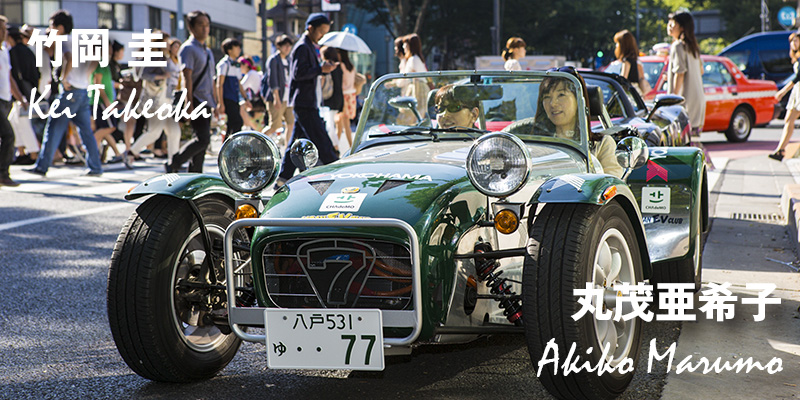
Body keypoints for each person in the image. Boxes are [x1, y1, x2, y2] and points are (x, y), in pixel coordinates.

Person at [26, 9, 103, 177]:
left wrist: (63, 78)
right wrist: (85, 76)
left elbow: (70, 58)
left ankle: (42, 166)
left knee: (53, 128)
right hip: (82, 91)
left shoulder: (63, 40)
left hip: (69, 93)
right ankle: (96, 167)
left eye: (51, 26)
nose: (49, 29)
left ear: (60, 27)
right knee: (86, 132)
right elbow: (95, 59)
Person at [275, 13, 339, 187]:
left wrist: (322, 69)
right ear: (310, 28)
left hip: (306, 101)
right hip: (304, 101)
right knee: (321, 138)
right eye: (320, 31)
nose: (321, 35)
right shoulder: (303, 47)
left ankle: (283, 178)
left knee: (296, 142)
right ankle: (336, 171)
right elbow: (298, 73)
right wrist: (321, 69)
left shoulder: (309, 46)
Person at [535, 70, 623, 178]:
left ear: (579, 100)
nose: (553, 103)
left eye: (561, 95)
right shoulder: (535, 141)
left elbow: (612, 186)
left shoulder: (602, 145)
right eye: (547, 97)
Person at [168, 10, 219, 173]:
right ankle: (175, 162)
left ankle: (195, 174)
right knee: (203, 140)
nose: (205, 29)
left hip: (207, 100)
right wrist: (188, 104)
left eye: (207, 25)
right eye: (201, 25)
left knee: (202, 144)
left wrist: (215, 102)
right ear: (191, 27)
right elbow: (186, 78)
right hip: (195, 99)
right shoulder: (188, 49)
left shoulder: (208, 50)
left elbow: (211, 79)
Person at [125, 30, 181, 169]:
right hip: (156, 101)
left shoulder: (163, 56)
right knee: (154, 132)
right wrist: (163, 76)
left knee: (174, 132)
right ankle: (131, 152)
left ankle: (173, 163)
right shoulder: (153, 56)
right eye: (166, 42)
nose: (168, 45)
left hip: (165, 99)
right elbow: (144, 75)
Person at [667, 11, 705, 137]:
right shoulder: (693, 46)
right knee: (694, 142)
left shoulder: (678, 46)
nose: (669, 26)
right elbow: (701, 71)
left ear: (682, 27)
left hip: (685, 103)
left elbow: (680, 73)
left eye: (673, 24)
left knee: (683, 145)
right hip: (698, 101)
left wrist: (671, 99)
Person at [1, 16, 28, 186]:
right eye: (1, 29)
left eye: (5, 29)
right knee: (9, 135)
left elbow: (10, 79)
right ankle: (3, 174)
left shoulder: (4, 51)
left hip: (5, 100)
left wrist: (20, 98)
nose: (4, 33)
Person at [7, 24, 39, 165]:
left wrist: (19, 95)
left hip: (21, 94)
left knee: (23, 124)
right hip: (29, 91)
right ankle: (22, 153)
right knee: (15, 121)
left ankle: (32, 154)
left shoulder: (13, 52)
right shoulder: (28, 51)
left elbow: (12, 76)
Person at [92, 40, 124, 164]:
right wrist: (107, 102)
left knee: (105, 129)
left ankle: (105, 154)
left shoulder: (105, 63)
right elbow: (97, 84)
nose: (111, 49)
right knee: (109, 127)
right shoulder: (100, 63)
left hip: (104, 101)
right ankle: (91, 149)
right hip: (101, 101)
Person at [770, 32, 800, 161]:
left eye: (797, 41)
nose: (794, 44)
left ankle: (780, 150)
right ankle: (780, 150)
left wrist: (783, 91)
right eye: (792, 41)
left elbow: (798, 77)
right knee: (788, 119)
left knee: (789, 120)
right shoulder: (797, 57)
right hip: (797, 92)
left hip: (798, 90)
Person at [261, 34, 294, 146]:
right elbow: (272, 79)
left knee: (291, 123)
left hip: (288, 98)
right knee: (274, 126)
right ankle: (258, 142)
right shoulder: (273, 60)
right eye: (285, 45)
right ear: (279, 46)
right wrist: (276, 98)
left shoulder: (289, 60)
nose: (288, 48)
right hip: (277, 97)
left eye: (289, 46)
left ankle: (287, 149)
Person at [216, 38, 249, 140]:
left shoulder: (237, 64)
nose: (239, 49)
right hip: (227, 98)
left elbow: (239, 83)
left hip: (235, 98)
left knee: (231, 124)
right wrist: (220, 103)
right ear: (229, 50)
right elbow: (219, 84)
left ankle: (227, 148)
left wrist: (246, 99)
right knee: (237, 122)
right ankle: (232, 146)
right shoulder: (224, 64)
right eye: (237, 47)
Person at [394, 33, 427, 125]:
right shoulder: (417, 59)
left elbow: (405, 78)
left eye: (406, 44)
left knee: (411, 118)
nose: (404, 46)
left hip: (416, 89)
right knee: (418, 117)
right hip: (419, 88)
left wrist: (394, 83)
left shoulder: (412, 60)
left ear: (410, 46)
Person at [613, 29, 650, 94]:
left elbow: (623, 79)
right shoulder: (636, 59)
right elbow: (642, 77)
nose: (616, 46)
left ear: (623, 45)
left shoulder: (626, 61)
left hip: (629, 93)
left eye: (617, 43)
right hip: (637, 92)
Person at [321, 46, 343, 151]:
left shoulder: (328, 67)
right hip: (338, 98)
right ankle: (333, 147)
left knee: (330, 127)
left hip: (329, 99)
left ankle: (336, 148)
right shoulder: (339, 67)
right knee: (331, 125)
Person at [238, 56, 263, 130]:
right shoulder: (254, 73)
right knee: (253, 121)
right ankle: (257, 132)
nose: (239, 68)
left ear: (246, 65)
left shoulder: (250, 74)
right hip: (259, 101)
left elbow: (240, 87)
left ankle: (251, 130)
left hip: (258, 102)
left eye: (240, 65)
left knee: (241, 107)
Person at [338, 49, 357, 147]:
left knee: (343, 123)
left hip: (343, 95)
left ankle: (351, 146)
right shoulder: (351, 66)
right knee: (342, 122)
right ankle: (336, 145)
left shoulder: (340, 66)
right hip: (351, 95)